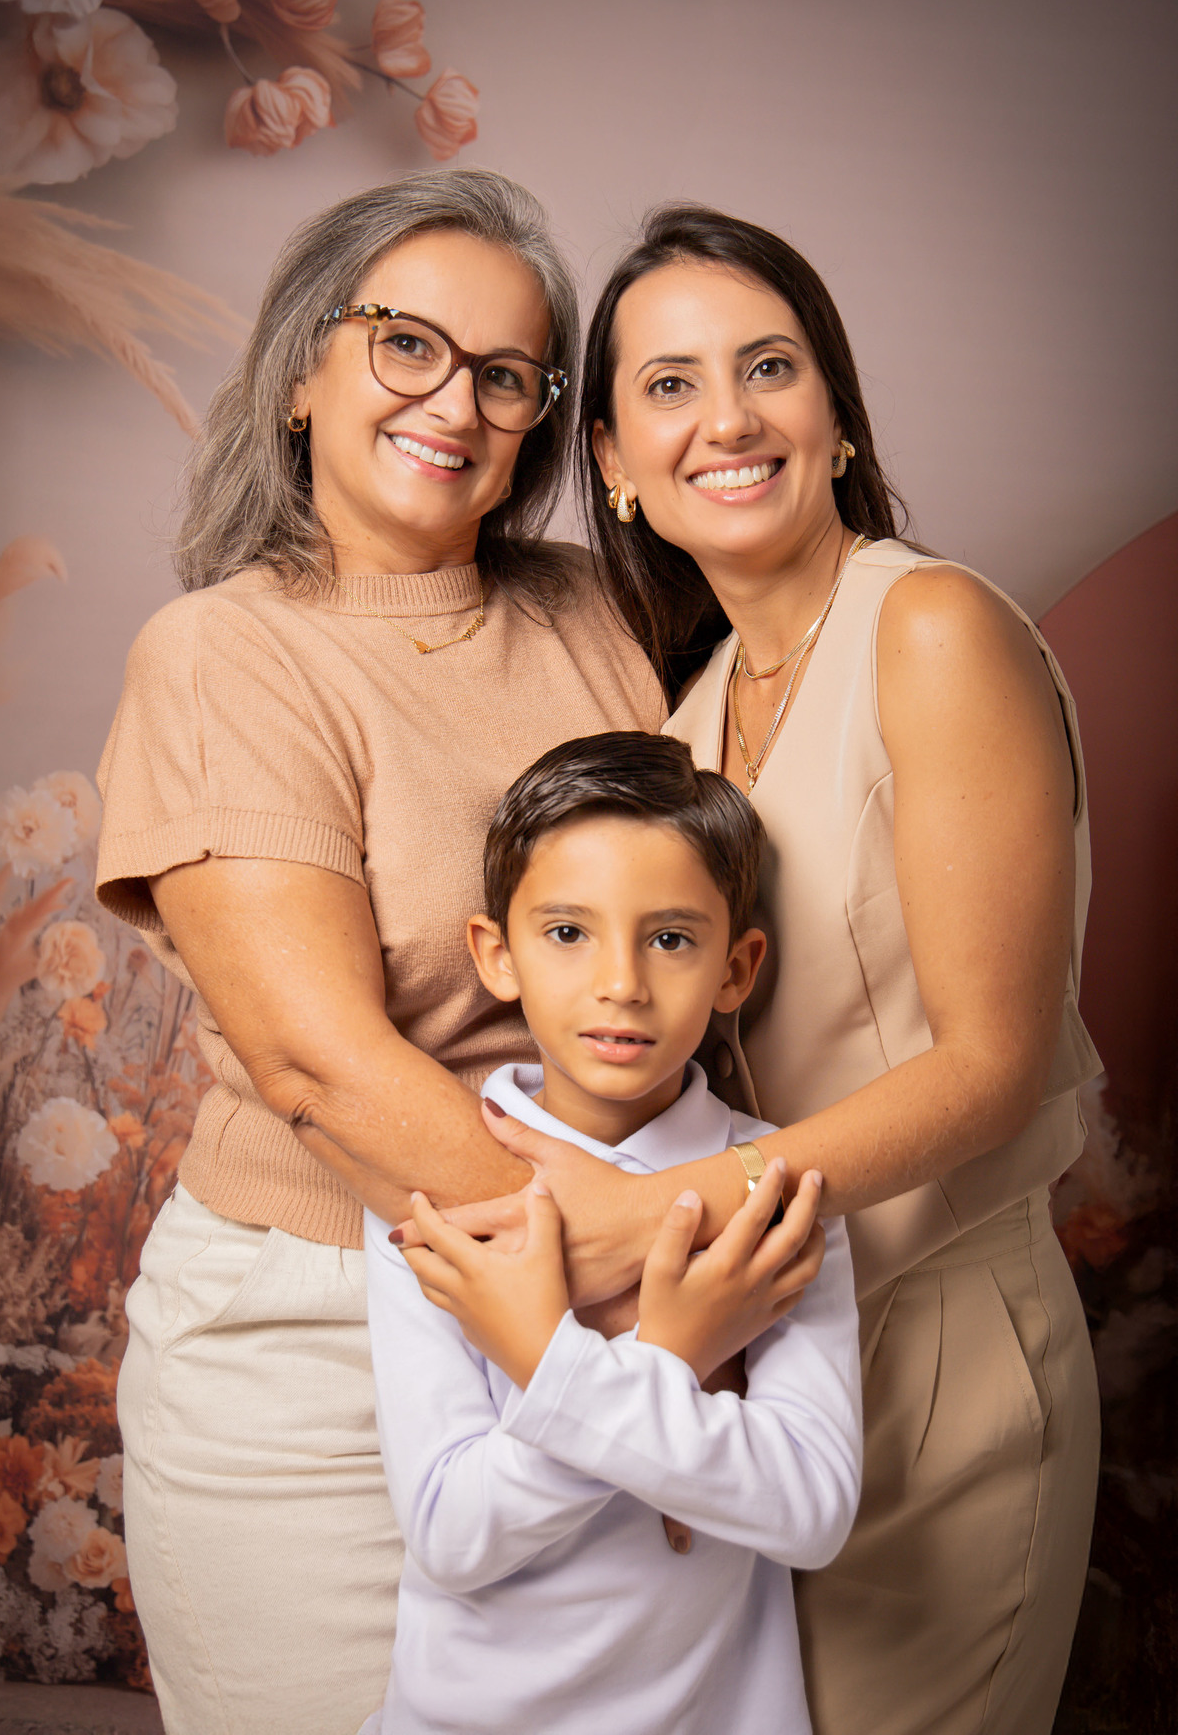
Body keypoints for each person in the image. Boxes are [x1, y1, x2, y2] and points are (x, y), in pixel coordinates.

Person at [94, 171, 696, 1735]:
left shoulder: (596, 608)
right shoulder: (226, 652)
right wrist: (646, 1255)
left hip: (606, 1306)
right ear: (303, 366)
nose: (455, 404)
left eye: (507, 375)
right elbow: (322, 1066)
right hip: (323, 1349)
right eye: (406, 344)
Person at [571, 205, 1103, 1735]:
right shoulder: (685, 724)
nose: (728, 419)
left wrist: (651, 1221)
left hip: (945, 1360)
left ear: (837, 416)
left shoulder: (929, 626)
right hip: (765, 1379)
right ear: (613, 458)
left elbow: (990, 1065)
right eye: (670, 386)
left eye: (769, 367)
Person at [361, 732, 861, 1735]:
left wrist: (561, 1374)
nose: (622, 982)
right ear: (496, 955)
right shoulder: (440, 1194)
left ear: (737, 967)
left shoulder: (774, 1192)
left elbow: (810, 1511)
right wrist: (670, 1356)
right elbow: (453, 1535)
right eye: (567, 933)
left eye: (671, 939)